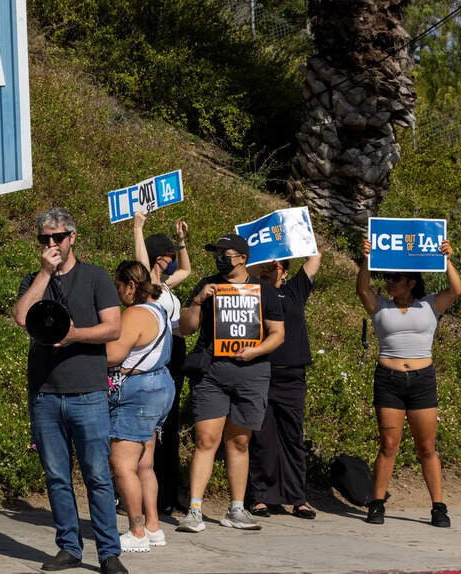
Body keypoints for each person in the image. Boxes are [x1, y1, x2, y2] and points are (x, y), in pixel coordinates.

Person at [12, 207, 126, 574]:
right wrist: (45, 273)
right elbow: (20, 317)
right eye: (44, 239)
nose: (51, 244)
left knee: (97, 475)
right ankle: (68, 548)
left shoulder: (95, 277)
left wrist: (72, 334)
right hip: (45, 393)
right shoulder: (35, 278)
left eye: (57, 237)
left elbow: (112, 329)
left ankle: (109, 553)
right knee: (57, 476)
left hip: (87, 393)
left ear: (72, 237)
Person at [176, 234, 284, 533]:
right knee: (206, 440)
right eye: (217, 252)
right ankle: (194, 510)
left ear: (243, 258)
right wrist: (198, 301)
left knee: (239, 441)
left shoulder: (263, 290)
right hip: (212, 372)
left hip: (251, 373)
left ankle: (236, 509)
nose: (221, 257)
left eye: (227, 252)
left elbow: (278, 333)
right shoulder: (207, 284)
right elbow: (185, 329)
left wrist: (256, 350)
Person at [357, 238, 461, 527]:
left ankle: (438, 507)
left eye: (395, 278)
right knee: (389, 444)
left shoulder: (429, 305)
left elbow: (456, 289)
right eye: (387, 277)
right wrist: (366, 259)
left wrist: (447, 260)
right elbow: (362, 288)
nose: (389, 282)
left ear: (411, 283)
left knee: (426, 447)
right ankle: (376, 504)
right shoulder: (380, 306)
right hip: (389, 380)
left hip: (422, 380)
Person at [245, 247, 322, 520]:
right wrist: (264, 266)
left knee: (292, 436)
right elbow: (242, 272)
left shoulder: (294, 291)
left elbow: (315, 258)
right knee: (262, 437)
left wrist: (295, 237)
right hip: (261, 370)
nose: (273, 267)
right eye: (270, 265)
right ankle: (260, 497)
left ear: (287, 272)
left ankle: (297, 498)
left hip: (292, 375)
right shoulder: (253, 289)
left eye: (278, 265)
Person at [105, 260, 175, 553]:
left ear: (131, 286)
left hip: (138, 393)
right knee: (145, 464)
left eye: (119, 287)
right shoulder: (160, 309)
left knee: (122, 465)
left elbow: (112, 355)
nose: (117, 293)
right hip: (160, 388)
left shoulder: (134, 315)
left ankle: (136, 531)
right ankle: (154, 526)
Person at [131, 212, 192, 515]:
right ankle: (148, 491)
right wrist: (138, 228)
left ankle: (168, 489)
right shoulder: (147, 286)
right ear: (158, 257)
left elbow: (187, 269)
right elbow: (142, 266)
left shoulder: (167, 284)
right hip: (156, 354)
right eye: (168, 254)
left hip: (175, 351)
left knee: (170, 424)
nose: (172, 259)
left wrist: (181, 241)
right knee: (154, 426)